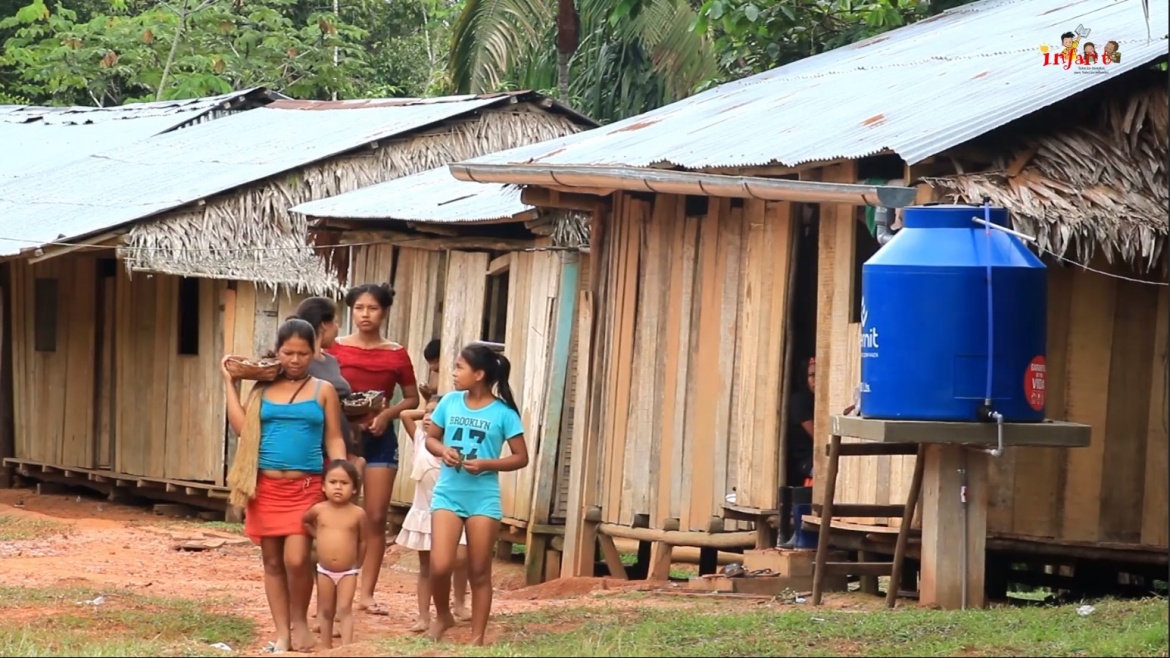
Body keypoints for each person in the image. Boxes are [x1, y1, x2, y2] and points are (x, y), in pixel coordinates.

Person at [222, 318, 347, 653]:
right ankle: (283, 633)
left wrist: (339, 475)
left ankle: (300, 622)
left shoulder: (323, 390)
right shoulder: (261, 389)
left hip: (306, 487)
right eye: (288, 352)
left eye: (302, 354)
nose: (294, 360)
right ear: (277, 352)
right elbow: (242, 431)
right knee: (273, 562)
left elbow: (334, 438)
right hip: (264, 487)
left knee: (296, 558)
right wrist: (230, 385)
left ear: (314, 353)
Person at [326, 283, 420, 616]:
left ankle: (366, 594)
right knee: (339, 515)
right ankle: (334, 589)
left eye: (373, 309)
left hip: (381, 439)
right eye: (359, 308)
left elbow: (412, 397)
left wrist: (387, 414)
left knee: (376, 517)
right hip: (342, 437)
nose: (365, 315)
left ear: (384, 312)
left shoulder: (396, 353)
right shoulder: (334, 349)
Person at [425, 344, 529, 645]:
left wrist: (487, 463)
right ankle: (443, 615)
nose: (454, 373)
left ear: (479, 374)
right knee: (440, 564)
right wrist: (443, 450)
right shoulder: (450, 402)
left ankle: (478, 636)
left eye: (459, 367)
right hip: (448, 493)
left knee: (479, 569)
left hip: (483, 498)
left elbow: (521, 457)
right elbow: (431, 439)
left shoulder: (503, 413)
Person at [395, 395, 471, 633]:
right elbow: (405, 415)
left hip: (452, 513)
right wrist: (428, 414)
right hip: (425, 516)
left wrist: (445, 416)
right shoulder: (421, 440)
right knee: (427, 566)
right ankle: (424, 616)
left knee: (459, 560)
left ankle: (459, 603)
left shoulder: (456, 446)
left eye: (434, 414)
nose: (428, 417)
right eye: (427, 413)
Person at [302, 459, 368, 649]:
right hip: (324, 571)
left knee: (345, 608)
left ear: (355, 489)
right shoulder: (319, 510)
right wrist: (318, 535)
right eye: (333, 482)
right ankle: (326, 648)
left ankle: (347, 648)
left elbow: (364, 540)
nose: (338, 487)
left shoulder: (358, 514)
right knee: (326, 609)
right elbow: (305, 521)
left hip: (348, 571)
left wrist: (358, 564)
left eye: (345, 483)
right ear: (323, 486)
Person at [777, 356, 816, 549]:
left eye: (820, 374)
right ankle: (800, 531)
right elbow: (817, 434)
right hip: (802, 459)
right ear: (804, 378)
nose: (816, 380)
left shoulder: (818, 399)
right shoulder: (799, 401)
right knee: (817, 474)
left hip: (816, 456)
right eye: (812, 375)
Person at [418, 338, 441, 403]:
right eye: (430, 363)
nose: (432, 366)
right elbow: (430, 400)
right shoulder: (434, 373)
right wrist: (425, 392)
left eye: (436, 362)